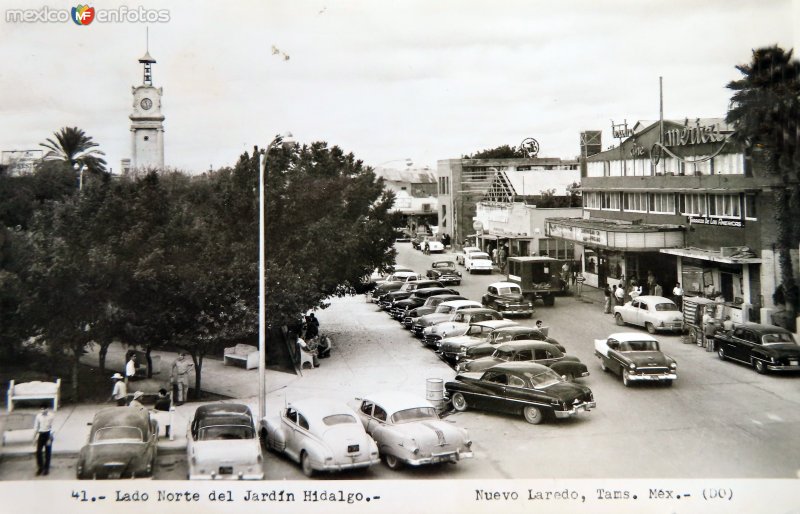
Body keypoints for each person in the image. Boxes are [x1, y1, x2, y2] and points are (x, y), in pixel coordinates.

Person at [32, 405, 55, 476]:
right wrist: (34, 438)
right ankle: (40, 468)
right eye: (41, 409)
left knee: (48, 452)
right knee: (38, 452)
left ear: (47, 409)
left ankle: (46, 468)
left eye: (44, 409)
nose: (43, 410)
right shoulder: (38, 416)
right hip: (41, 434)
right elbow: (36, 427)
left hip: (48, 434)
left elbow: (53, 427)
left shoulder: (51, 415)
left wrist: (49, 438)